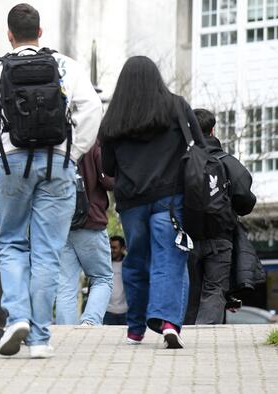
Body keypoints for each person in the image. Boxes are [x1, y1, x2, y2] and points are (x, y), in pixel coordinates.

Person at [0, 3, 101, 358]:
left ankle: (17, 317)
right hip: (56, 163)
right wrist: (73, 154)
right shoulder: (65, 66)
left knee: (12, 242)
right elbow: (91, 109)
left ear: (9, 35)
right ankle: (40, 339)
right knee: (49, 251)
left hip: (11, 164)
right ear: (40, 32)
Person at [100, 56, 206, 349]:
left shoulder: (114, 117)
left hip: (132, 202)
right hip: (169, 199)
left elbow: (108, 167)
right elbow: (198, 145)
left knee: (136, 259)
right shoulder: (176, 106)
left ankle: (135, 328)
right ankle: (168, 322)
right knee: (168, 257)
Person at [184, 108, 256, 325]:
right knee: (214, 288)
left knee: (189, 289)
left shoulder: (181, 161)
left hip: (187, 237)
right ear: (213, 130)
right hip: (220, 236)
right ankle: (206, 336)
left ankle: (184, 333)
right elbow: (245, 198)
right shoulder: (228, 162)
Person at [55, 140, 114, 326]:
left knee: (65, 284)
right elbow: (108, 180)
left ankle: (65, 331)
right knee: (102, 277)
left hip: (60, 224)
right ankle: (90, 322)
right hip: (90, 221)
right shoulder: (91, 142)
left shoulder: (55, 142)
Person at [104, 235, 128, 325]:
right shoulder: (104, 265)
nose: (111, 250)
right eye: (109, 247)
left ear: (122, 248)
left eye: (114, 248)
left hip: (125, 313)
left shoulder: (129, 265)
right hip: (107, 312)